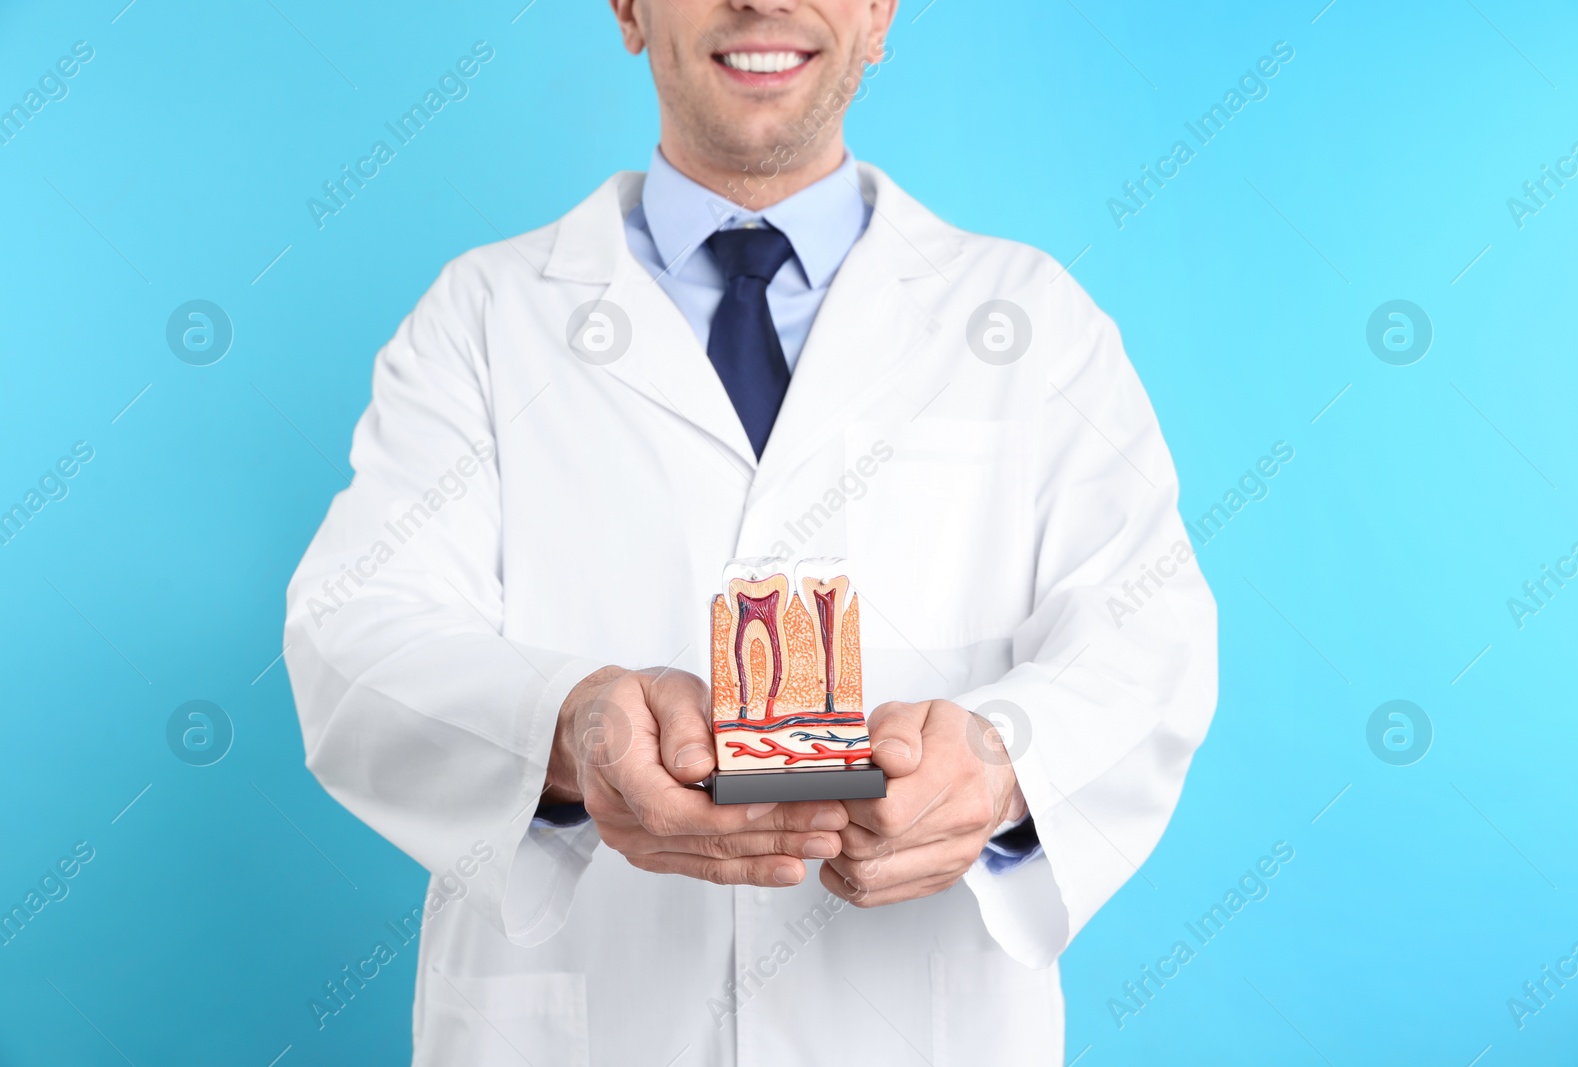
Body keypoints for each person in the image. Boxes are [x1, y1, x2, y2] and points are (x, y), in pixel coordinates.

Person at [284, 0, 1217, 1062]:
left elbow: (1151, 637)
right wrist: (568, 727)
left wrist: (999, 765)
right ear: (630, 9)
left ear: (878, 12)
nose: (760, 1)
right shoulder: (483, 317)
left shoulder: (1029, 319)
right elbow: (352, 634)